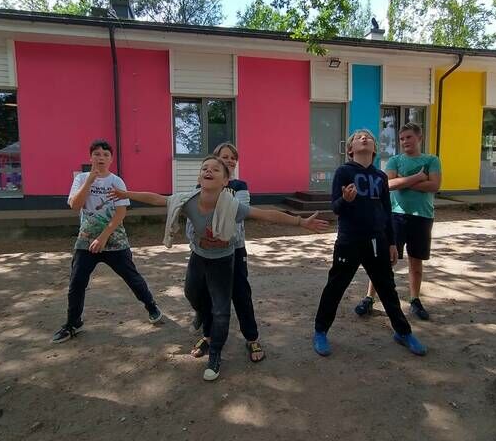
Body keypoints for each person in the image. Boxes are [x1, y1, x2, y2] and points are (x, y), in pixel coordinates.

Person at [110, 156, 328, 381]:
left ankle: (215, 353)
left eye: (215, 169)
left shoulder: (232, 206)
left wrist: (300, 222)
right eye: (205, 168)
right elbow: (157, 199)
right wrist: (126, 194)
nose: (208, 171)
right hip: (198, 257)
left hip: (223, 262)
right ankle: (203, 319)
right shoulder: (188, 201)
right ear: (199, 177)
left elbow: (265, 214)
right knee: (191, 293)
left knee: (221, 311)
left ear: (225, 181)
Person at [313, 129, 427, 357]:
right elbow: (335, 208)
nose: (364, 138)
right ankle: (320, 331)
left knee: (387, 288)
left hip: (377, 241)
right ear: (350, 149)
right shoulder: (344, 172)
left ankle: (403, 332)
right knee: (335, 287)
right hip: (349, 240)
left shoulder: (380, 176)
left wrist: (391, 243)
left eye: (369, 138)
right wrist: (345, 200)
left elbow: (386, 210)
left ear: (374, 149)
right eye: (358, 137)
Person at [52, 139, 162, 344]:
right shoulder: (81, 179)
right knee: (76, 283)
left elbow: (121, 213)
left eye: (105, 154)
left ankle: (152, 306)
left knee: (132, 278)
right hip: (86, 240)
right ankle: (73, 323)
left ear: (111, 159)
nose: (101, 158)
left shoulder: (116, 181)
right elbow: (75, 205)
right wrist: (89, 182)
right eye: (97, 154)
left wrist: (103, 238)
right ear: (90, 157)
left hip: (115, 240)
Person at [354, 122, 441, 320]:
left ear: (419, 138)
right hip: (395, 215)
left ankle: (415, 300)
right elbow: (388, 185)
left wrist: (404, 180)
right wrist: (419, 177)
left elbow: (434, 185)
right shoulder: (395, 160)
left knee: (416, 261)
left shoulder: (431, 160)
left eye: (409, 137)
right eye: (402, 139)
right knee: (383, 261)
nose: (405, 141)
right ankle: (369, 298)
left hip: (422, 216)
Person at [187, 143, 265, 363]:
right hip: (205, 250)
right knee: (206, 295)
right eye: (225, 157)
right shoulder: (203, 185)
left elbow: (238, 214)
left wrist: (223, 236)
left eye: (233, 158)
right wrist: (200, 238)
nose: (230, 160)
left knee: (241, 293)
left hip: (234, 249)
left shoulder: (239, 186)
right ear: (216, 159)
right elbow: (193, 216)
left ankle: (252, 337)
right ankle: (208, 335)